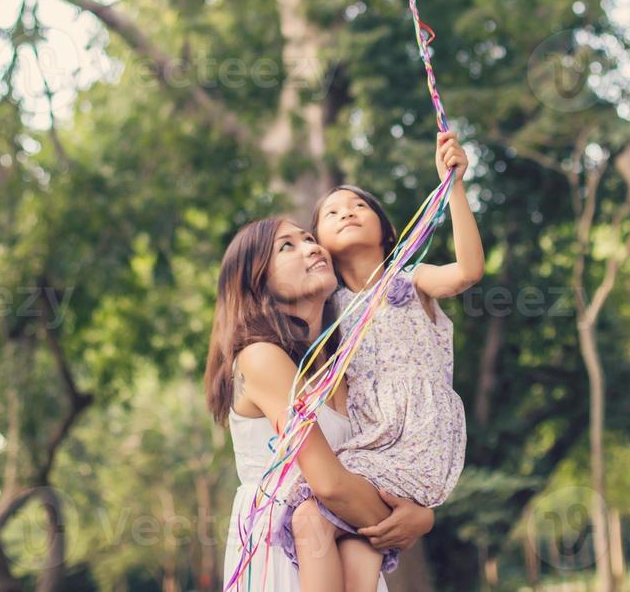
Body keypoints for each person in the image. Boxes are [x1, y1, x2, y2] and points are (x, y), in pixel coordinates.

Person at [276, 130, 482, 577]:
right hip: (370, 438)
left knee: (313, 512)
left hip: (416, 437)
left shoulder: (410, 281)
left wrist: (455, 186)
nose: (346, 211)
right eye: (331, 212)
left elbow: (467, 271)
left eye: (359, 206)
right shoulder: (327, 310)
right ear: (318, 245)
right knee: (353, 544)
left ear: (388, 232)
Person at [205, 218, 435, 590]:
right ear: (256, 281)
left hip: (349, 541)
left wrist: (419, 515)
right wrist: (411, 520)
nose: (312, 248)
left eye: (310, 239)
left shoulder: (347, 366)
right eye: (286, 246)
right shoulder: (260, 356)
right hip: (281, 549)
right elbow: (329, 484)